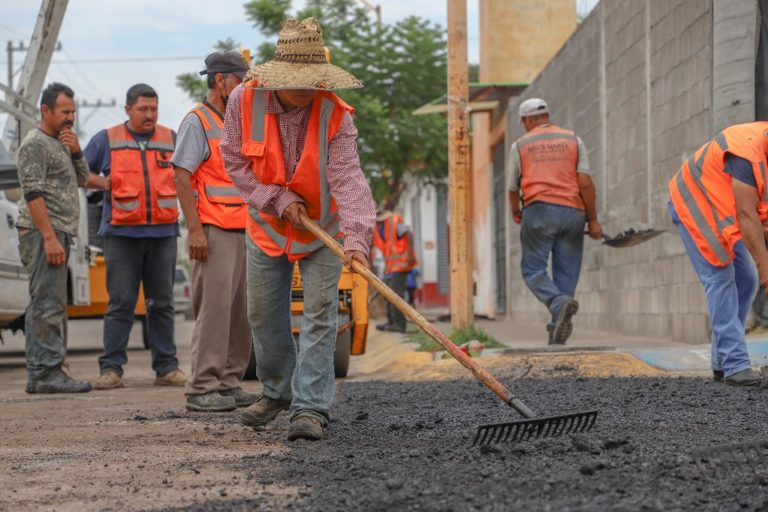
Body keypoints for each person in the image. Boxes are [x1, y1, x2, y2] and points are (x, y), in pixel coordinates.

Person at [221, 17, 375, 441]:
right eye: (298, 81)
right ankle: (277, 391)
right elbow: (234, 162)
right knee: (263, 314)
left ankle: (310, 408)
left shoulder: (334, 112)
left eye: (314, 80)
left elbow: (349, 179)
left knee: (320, 315)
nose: (308, 88)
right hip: (267, 227)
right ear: (278, 77)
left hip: (321, 230)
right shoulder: (242, 101)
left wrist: (359, 240)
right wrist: (276, 199)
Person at [84, 83, 186, 389]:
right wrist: (106, 184)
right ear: (127, 109)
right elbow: (79, 172)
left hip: (163, 234)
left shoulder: (170, 138)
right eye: (143, 109)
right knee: (122, 303)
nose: (149, 115)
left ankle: (167, 369)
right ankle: (112, 369)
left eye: (153, 108)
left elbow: (188, 175)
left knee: (162, 303)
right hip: (121, 234)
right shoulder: (106, 139)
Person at [172, 51, 257, 412]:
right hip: (214, 228)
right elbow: (181, 175)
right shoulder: (197, 121)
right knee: (215, 310)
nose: (244, 88)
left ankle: (229, 382)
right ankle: (202, 386)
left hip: (245, 228)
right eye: (240, 81)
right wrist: (195, 231)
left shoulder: (237, 122)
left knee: (242, 311)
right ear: (220, 80)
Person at [16, 82, 109, 393]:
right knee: (45, 303)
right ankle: (43, 374)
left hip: (59, 232)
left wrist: (78, 150)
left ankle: (50, 367)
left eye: (73, 111)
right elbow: (33, 193)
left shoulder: (60, 142)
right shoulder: (35, 144)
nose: (71, 117)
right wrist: (49, 238)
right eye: (64, 112)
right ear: (46, 111)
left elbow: (84, 179)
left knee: (53, 303)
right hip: (45, 232)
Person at [667, 122, 768, 387]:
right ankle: (735, 364)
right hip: (695, 205)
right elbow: (747, 214)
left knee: (746, 280)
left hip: (722, 209)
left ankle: (722, 361)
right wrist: (766, 269)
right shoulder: (747, 152)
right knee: (720, 278)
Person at [508, 98, 602, 345]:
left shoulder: (520, 145)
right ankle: (556, 329)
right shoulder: (573, 139)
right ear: (546, 115)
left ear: (527, 120)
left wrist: (515, 211)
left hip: (538, 210)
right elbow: (585, 183)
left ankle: (558, 303)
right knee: (566, 273)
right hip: (573, 212)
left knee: (532, 268)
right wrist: (592, 220)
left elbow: (511, 186)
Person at [373, 210, 417, 332]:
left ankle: (400, 324)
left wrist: (409, 253)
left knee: (396, 295)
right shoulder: (378, 228)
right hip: (390, 267)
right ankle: (392, 322)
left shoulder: (393, 222)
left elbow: (408, 233)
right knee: (388, 295)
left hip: (401, 265)